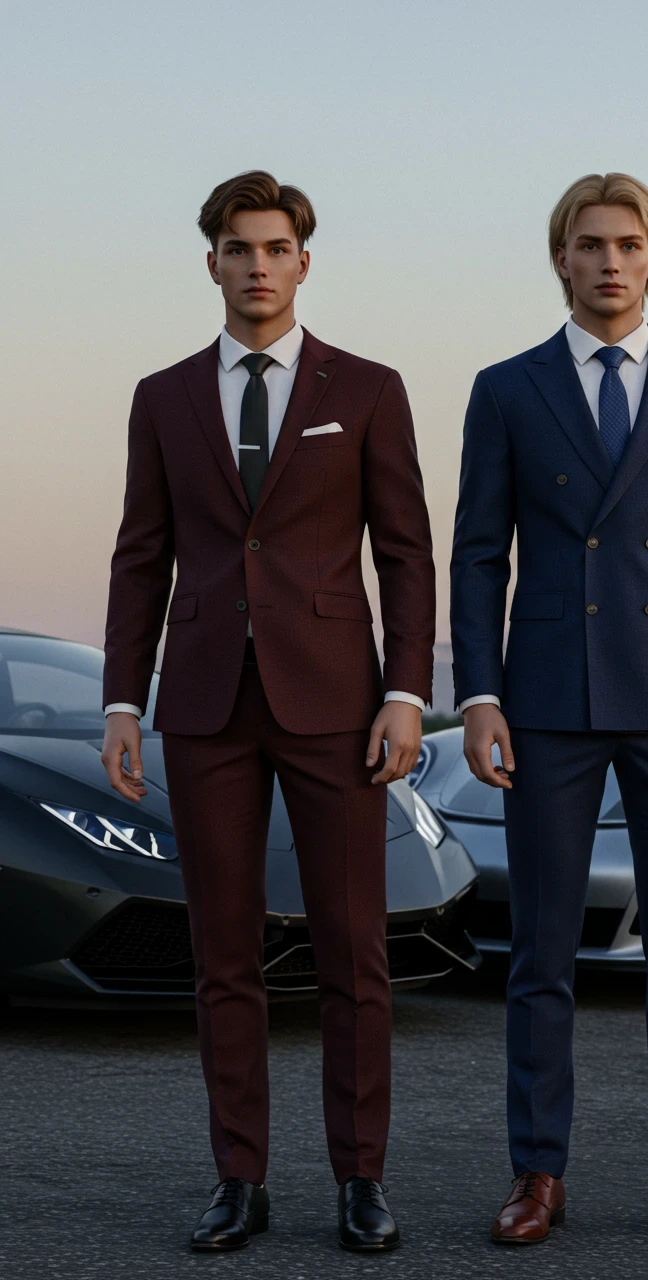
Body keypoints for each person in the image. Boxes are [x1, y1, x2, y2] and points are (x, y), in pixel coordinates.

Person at [101, 170, 435, 1254]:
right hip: (202, 703)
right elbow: (140, 554)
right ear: (212, 262)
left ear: (303, 259)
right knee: (224, 954)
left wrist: (403, 690)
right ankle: (236, 1176)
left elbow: (404, 550)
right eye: (237, 247)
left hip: (336, 701)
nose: (256, 264)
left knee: (352, 951)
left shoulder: (369, 387)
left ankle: (359, 1177)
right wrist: (120, 695)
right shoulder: (162, 396)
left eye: (275, 246)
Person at [450, 172, 648, 1246]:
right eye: (587, 243)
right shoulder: (504, 388)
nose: (607, 261)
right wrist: (480, 691)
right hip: (545, 694)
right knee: (540, 950)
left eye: (626, 243)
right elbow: (478, 551)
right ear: (559, 258)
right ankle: (535, 1172)